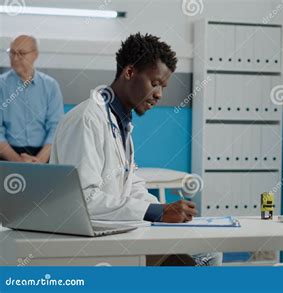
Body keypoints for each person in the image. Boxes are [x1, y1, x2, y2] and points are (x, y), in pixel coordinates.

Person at [50, 33, 221, 266]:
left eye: (164, 86)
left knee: (207, 256)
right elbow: (84, 202)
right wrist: (156, 211)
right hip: (92, 246)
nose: (160, 94)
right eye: (155, 83)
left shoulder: (120, 121)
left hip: (119, 234)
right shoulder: (87, 120)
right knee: (191, 267)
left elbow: (130, 183)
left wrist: (167, 212)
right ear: (129, 72)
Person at [0, 35, 64, 163]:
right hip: (7, 154)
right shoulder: (2, 85)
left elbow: (56, 127)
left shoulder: (50, 86)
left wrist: (39, 161)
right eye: (12, 53)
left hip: (43, 154)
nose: (15, 58)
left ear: (35, 54)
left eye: (21, 53)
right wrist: (18, 161)